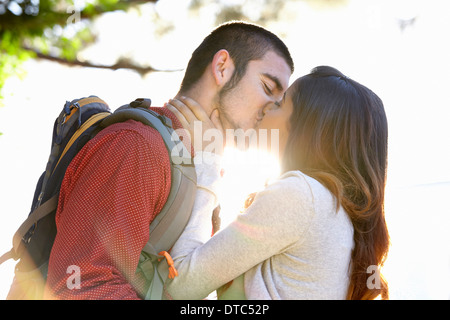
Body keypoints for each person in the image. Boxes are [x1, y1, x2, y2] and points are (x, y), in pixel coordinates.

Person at [43, 21, 294, 299]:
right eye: (268, 87)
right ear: (223, 67)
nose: (272, 108)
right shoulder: (138, 147)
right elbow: (81, 286)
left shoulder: (197, 169)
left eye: (280, 100)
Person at [164, 66, 390, 300]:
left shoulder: (302, 195)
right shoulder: (333, 210)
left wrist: (207, 160)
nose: (265, 108)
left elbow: (180, 287)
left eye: (280, 103)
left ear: (308, 128)